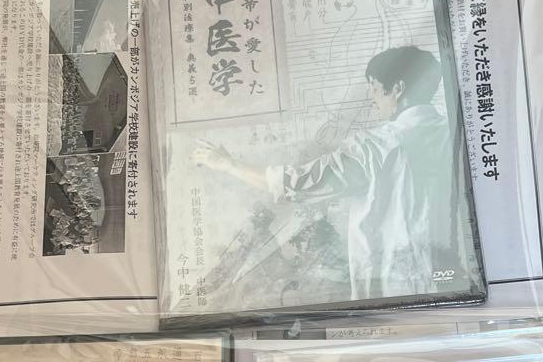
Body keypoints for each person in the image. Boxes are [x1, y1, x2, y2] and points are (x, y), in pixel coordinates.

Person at [195, 46, 457, 301]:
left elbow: (296, 184)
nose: (371, 97)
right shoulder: (455, 134)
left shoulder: (375, 147)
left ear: (398, 89)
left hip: (397, 293)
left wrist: (227, 164)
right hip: (454, 286)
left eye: (374, 87)